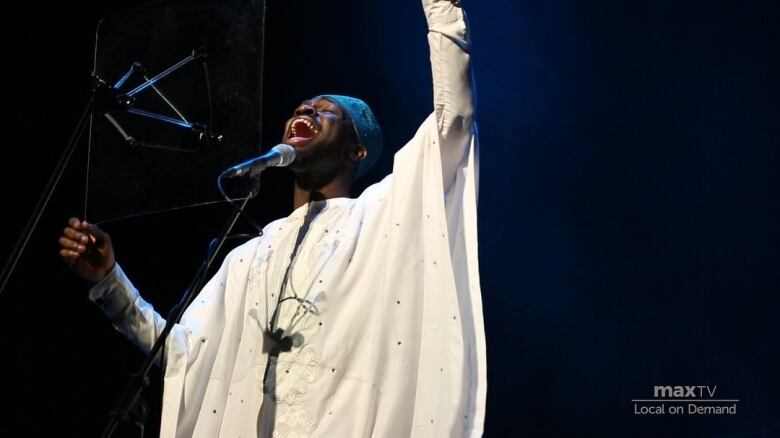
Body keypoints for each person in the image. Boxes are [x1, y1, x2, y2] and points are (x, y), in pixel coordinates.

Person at [59, 0, 485, 436]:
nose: (305, 112)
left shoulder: (381, 216)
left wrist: (441, 8)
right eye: (301, 107)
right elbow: (185, 355)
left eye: (324, 111)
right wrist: (110, 282)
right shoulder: (248, 257)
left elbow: (454, 120)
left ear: (355, 151)